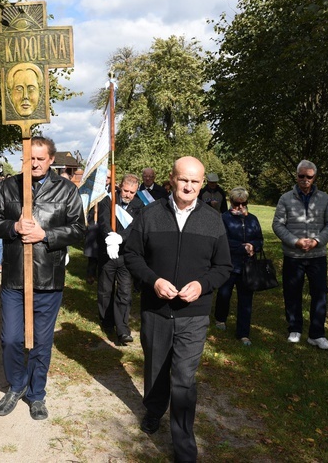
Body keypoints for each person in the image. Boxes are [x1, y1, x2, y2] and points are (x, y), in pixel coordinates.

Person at [124, 156, 232, 462]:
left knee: (184, 378)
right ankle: (154, 410)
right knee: (156, 367)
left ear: (202, 184)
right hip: (156, 310)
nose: (189, 186)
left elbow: (224, 266)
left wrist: (203, 285)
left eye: (195, 181)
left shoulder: (213, 220)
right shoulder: (149, 213)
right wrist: (153, 280)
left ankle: (184, 443)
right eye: (183, 179)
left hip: (194, 314)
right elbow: (132, 255)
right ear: (172, 179)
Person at [0, 136, 85, 420]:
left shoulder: (65, 190)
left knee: (41, 341)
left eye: (41, 159)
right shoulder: (9, 186)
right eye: (30, 158)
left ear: (52, 160)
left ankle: (37, 394)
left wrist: (47, 235)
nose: (35, 164)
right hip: (15, 277)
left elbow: (79, 229)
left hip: (48, 277)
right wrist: (13, 226)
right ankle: (17, 385)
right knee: (12, 339)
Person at [272, 160, 328, 350]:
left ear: (314, 177)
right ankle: (295, 328)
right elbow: (277, 225)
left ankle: (317, 334)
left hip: (317, 255)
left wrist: (317, 241)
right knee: (292, 292)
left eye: (309, 177)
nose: (305, 180)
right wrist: (295, 241)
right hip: (293, 254)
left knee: (319, 293)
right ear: (296, 176)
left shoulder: (325, 199)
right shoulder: (285, 198)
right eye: (301, 176)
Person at [97, 173, 144, 345]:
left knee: (124, 292)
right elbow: (103, 221)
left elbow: (134, 227)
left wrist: (120, 238)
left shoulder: (139, 205)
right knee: (105, 290)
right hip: (108, 253)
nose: (128, 195)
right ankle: (106, 321)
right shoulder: (108, 201)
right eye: (125, 191)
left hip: (126, 255)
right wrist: (110, 238)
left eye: (132, 192)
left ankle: (122, 329)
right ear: (120, 187)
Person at [213, 187, 264, 346]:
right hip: (228, 265)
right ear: (231, 202)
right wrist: (243, 247)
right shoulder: (224, 219)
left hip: (247, 268)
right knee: (224, 294)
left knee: (246, 300)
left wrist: (253, 246)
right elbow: (222, 242)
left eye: (244, 204)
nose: (240, 207)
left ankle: (243, 333)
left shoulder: (253, 219)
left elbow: (260, 240)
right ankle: (220, 318)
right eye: (237, 204)